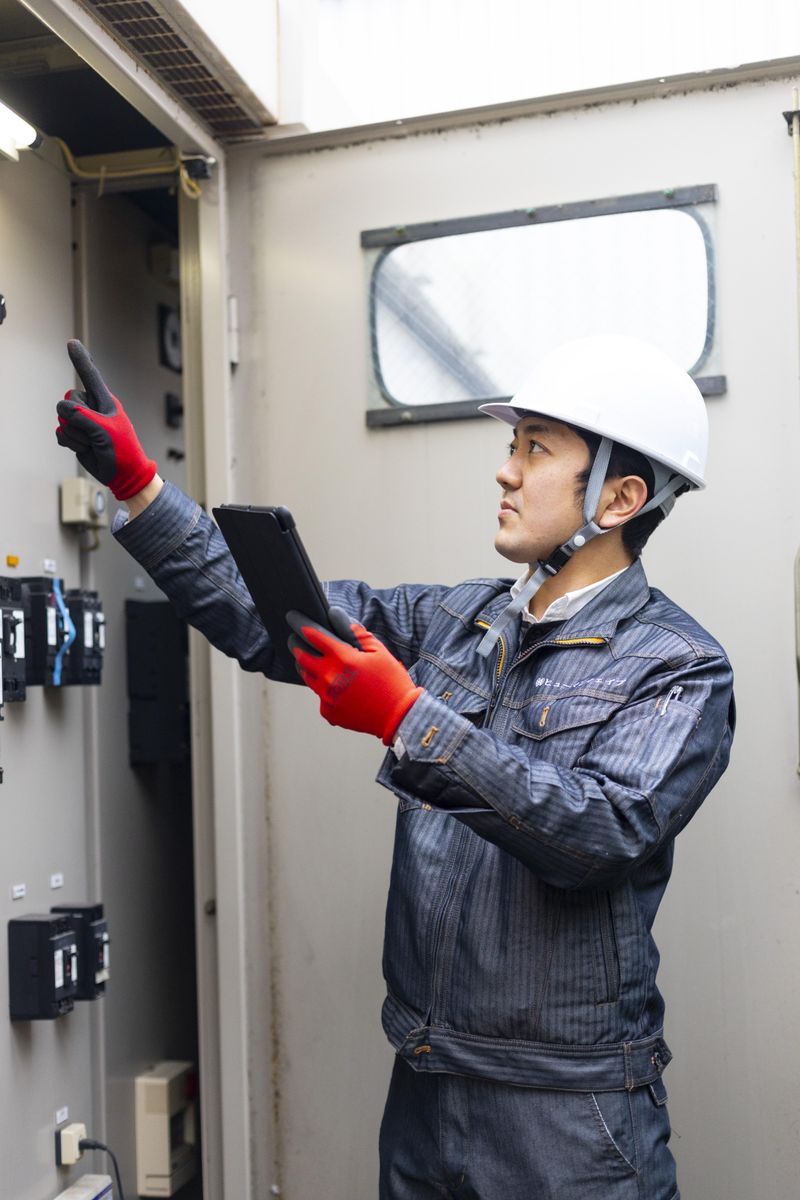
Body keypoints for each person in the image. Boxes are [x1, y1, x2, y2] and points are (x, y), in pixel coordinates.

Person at [56, 334, 734, 1200]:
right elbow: (271, 620)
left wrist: (409, 719)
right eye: (512, 444)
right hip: (424, 1089)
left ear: (620, 497)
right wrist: (141, 488)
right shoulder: (454, 622)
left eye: (536, 449)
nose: (506, 471)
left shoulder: (680, 668)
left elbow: (599, 834)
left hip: (569, 1121)